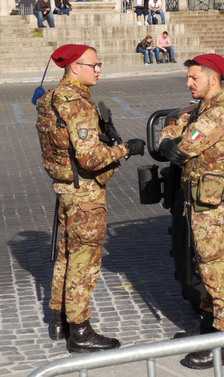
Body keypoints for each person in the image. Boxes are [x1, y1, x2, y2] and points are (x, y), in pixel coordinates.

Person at [37, 44, 145, 353]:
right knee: (83, 261)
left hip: (65, 188)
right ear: (73, 67)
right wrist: (126, 149)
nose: (98, 69)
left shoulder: (50, 99)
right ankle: (80, 331)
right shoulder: (78, 104)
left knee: (66, 256)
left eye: (99, 64)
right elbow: (90, 157)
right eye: (93, 64)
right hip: (84, 193)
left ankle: (59, 320)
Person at [158, 54, 224, 370]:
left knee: (215, 266)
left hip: (209, 205)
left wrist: (171, 137)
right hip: (200, 202)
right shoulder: (202, 112)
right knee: (206, 266)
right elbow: (174, 128)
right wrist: (173, 132)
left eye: (194, 77)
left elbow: (177, 150)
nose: (188, 83)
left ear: (213, 79)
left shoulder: (216, 118)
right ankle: (211, 324)